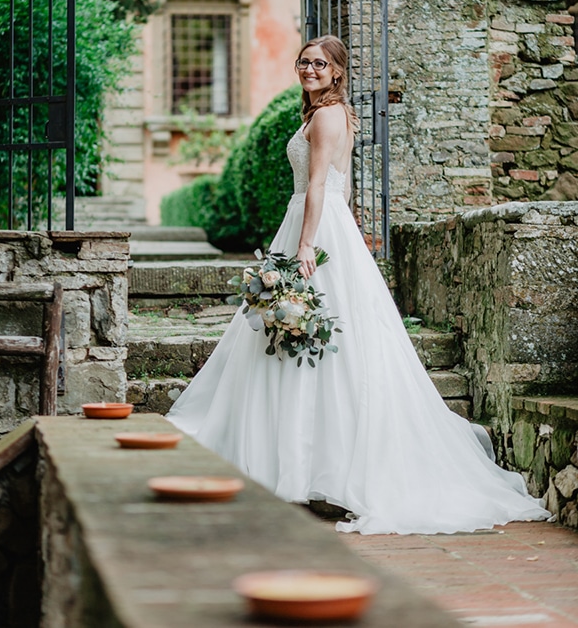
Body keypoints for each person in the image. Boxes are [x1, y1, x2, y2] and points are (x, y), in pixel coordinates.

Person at [167, 35, 549, 535]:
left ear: (337, 71)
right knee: (292, 335)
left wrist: (305, 246)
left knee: (312, 335)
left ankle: (316, 468)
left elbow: (320, 185)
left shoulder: (327, 117)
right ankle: (294, 465)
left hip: (319, 230)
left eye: (319, 63)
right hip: (312, 223)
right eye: (303, 61)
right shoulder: (323, 113)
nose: (309, 68)